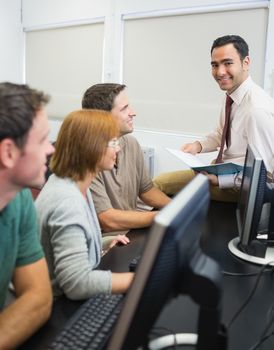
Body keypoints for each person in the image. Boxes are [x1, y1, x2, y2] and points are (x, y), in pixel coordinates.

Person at [153, 35, 274, 202]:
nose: (220, 72)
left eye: (228, 63)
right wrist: (198, 145)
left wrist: (221, 181)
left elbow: (265, 173)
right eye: (215, 65)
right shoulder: (232, 94)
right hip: (221, 170)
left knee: (159, 184)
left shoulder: (256, 109)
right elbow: (221, 133)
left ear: (246, 63)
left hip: (239, 187)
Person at [35, 109, 134, 300]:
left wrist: (103, 244)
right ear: (92, 147)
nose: (119, 149)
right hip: (58, 309)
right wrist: (140, 281)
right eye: (113, 143)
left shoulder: (75, 183)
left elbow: (67, 241)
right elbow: (77, 284)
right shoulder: (67, 202)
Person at [0, 82, 54, 348]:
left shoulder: (19, 198)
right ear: (8, 152)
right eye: (43, 140)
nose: (51, 149)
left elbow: (39, 296)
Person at [82, 83, 171, 236]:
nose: (133, 113)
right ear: (104, 117)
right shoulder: (87, 156)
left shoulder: (131, 143)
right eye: (124, 109)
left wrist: (177, 208)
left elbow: (147, 191)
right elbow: (108, 220)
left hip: (130, 234)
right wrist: (163, 216)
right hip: (107, 243)